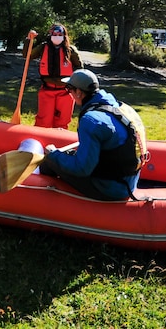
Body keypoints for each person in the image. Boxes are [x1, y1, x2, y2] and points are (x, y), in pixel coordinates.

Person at [39, 69, 141, 201]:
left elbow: (82, 169)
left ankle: (42, 199)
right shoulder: (117, 106)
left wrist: (54, 154)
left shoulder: (91, 120)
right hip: (127, 182)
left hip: (109, 189)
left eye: (69, 89)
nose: (69, 94)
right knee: (66, 155)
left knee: (50, 160)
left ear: (79, 92)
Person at [24, 24, 83, 129]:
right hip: (47, 90)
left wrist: (77, 86)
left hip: (65, 91)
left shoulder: (71, 50)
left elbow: (79, 68)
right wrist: (29, 39)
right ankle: (40, 140)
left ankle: (59, 141)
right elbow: (27, 55)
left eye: (59, 34)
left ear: (64, 36)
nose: (57, 36)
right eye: (54, 34)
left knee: (62, 121)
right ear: (50, 35)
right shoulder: (43, 47)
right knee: (44, 121)